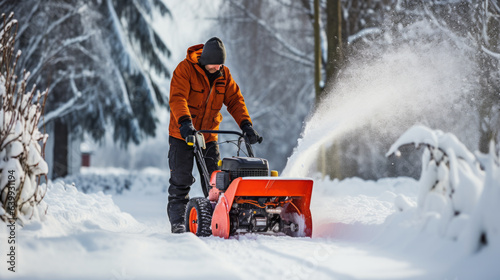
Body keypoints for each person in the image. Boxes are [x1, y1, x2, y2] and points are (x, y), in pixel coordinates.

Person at [167, 37, 261, 233]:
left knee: (216, 181)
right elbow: (178, 98)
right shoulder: (185, 70)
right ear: (204, 60)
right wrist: (185, 123)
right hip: (182, 134)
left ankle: (220, 220)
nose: (216, 68)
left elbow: (235, 100)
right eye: (213, 64)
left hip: (207, 136)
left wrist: (247, 125)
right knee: (181, 180)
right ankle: (178, 223)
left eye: (219, 65)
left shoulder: (224, 75)